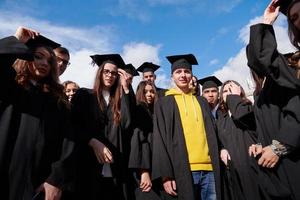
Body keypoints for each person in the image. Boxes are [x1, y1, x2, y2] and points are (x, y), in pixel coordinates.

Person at [0, 27, 75, 200]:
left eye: (49, 61)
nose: (44, 64)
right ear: (25, 57)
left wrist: (55, 180)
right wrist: (17, 39)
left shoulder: (57, 100)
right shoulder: (9, 86)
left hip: (38, 185)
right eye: (38, 57)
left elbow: (68, 142)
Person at [247, 0, 300, 199]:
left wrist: (279, 146)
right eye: (293, 18)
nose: (296, 21)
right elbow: (263, 60)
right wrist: (267, 24)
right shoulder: (295, 64)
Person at [152, 54, 221, 200]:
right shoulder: (164, 103)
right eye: (178, 72)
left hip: (210, 170)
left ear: (191, 75)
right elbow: (159, 140)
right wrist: (166, 174)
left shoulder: (202, 102)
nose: (183, 75)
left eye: (187, 71)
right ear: (172, 77)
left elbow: (214, 132)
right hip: (182, 170)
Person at [71, 53, 136, 200]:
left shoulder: (119, 101)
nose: (110, 75)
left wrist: (126, 88)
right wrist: (92, 141)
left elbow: (127, 123)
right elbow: (73, 125)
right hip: (88, 164)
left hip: (115, 166)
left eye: (114, 73)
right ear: (100, 73)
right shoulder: (84, 95)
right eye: (106, 71)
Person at [217, 80, 268, 200]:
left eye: (232, 89)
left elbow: (243, 117)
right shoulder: (221, 120)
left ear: (239, 91)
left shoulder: (250, 109)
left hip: (255, 167)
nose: (228, 93)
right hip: (235, 172)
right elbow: (220, 141)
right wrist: (222, 149)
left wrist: (234, 98)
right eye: (225, 91)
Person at [128, 81, 161, 200]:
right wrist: (144, 171)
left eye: (152, 91)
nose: (149, 94)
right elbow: (140, 142)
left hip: (156, 165)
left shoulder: (156, 112)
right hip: (142, 167)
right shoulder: (138, 110)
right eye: (145, 92)